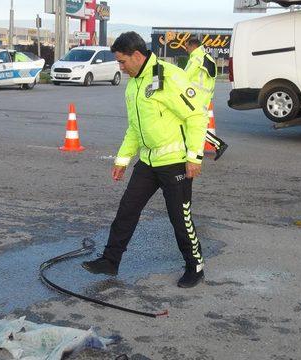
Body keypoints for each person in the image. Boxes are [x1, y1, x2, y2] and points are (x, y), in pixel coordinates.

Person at [81, 32, 209, 288]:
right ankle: (110, 260)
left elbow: (197, 116)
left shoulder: (169, 76)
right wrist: (122, 159)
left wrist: (195, 156)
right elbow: (134, 128)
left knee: (179, 218)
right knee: (126, 210)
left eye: (122, 62)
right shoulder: (134, 85)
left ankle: (195, 267)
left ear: (137, 56)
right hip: (148, 162)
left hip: (176, 161)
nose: (120, 67)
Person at [184, 37, 228, 161]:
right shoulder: (207, 57)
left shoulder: (196, 58)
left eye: (187, 47)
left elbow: (185, 76)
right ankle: (217, 145)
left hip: (194, 98)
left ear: (193, 46)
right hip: (204, 98)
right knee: (195, 125)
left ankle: (218, 145)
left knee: (193, 125)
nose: (186, 49)